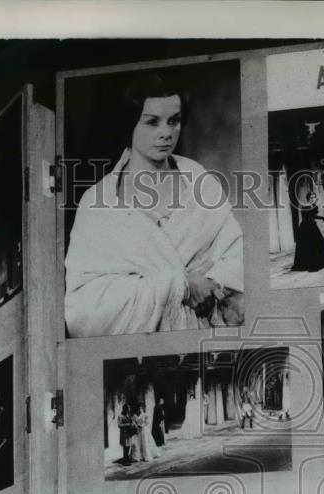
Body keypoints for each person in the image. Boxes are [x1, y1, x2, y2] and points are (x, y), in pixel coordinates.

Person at [65, 73, 244, 338]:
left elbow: (238, 254)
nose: (166, 133)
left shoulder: (198, 178)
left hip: (209, 335)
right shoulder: (97, 203)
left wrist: (214, 282)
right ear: (130, 125)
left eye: (174, 121)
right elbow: (84, 311)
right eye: (152, 122)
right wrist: (179, 287)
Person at [291, 189, 324, 273]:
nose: (312, 199)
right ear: (308, 198)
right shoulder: (305, 206)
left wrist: (323, 218)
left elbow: (314, 216)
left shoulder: (314, 206)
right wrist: (315, 220)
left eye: (314, 197)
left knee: (317, 244)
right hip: (306, 228)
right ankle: (311, 265)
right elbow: (307, 217)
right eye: (311, 197)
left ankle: (317, 262)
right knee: (309, 245)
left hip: (312, 226)